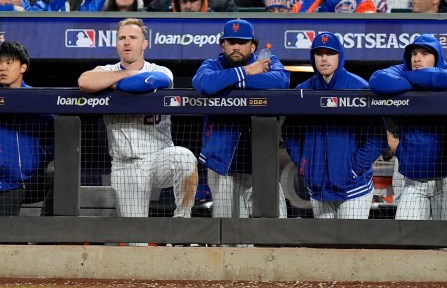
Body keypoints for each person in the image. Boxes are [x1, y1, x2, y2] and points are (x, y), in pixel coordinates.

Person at [78, 18, 198, 223]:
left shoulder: (161, 70)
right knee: (135, 237)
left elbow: (145, 82)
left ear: (144, 44)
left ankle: (182, 221)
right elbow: (84, 81)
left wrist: (113, 83)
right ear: (116, 44)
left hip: (160, 157)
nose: (126, 42)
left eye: (133, 37)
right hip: (125, 165)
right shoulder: (107, 69)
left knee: (185, 157)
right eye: (122, 38)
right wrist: (125, 75)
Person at [192, 19, 289, 218]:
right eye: (231, 42)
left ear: (252, 46)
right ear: (223, 45)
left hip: (262, 164)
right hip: (223, 165)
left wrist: (229, 82)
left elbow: (280, 80)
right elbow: (203, 84)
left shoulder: (267, 60)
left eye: (242, 42)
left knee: (274, 227)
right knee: (229, 234)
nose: (236, 47)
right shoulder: (213, 64)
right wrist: (245, 71)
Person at [283, 32, 387, 219]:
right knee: (325, 245)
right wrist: (304, 164)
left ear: (340, 55)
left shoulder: (358, 88)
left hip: (352, 188)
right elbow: (290, 133)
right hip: (318, 187)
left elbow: (377, 139)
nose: (324, 59)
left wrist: (353, 169)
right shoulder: (303, 91)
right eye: (319, 53)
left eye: (329, 53)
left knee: (350, 245)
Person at [369, 34, 447, 220]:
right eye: (414, 53)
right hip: (413, 181)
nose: (417, 58)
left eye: (424, 53)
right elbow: (378, 80)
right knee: (405, 238)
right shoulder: (403, 70)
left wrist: (409, 80)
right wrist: (418, 79)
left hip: (446, 180)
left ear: (437, 57)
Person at [0, 41, 53, 216]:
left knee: (59, 179)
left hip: (30, 179)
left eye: (9, 63)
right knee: (8, 238)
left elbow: (56, 137)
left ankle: (47, 238)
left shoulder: (36, 97)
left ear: (23, 67)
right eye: (0, 63)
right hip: (3, 182)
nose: (3, 68)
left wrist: (38, 157)